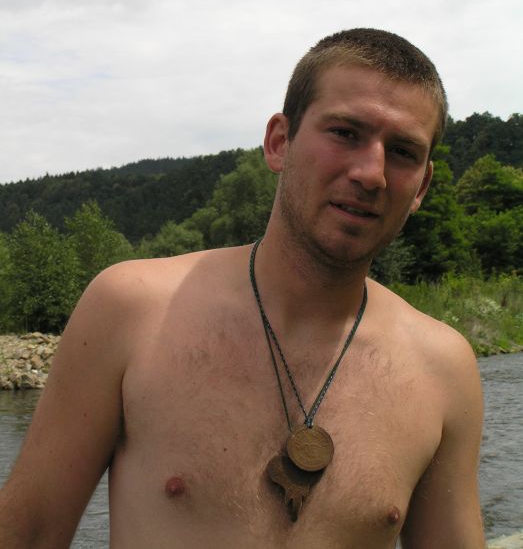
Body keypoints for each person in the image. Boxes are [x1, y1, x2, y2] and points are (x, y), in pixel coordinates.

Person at [0, 28, 485, 548]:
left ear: (422, 186)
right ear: (280, 143)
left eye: (403, 151)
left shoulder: (444, 369)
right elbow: (28, 534)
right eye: (345, 132)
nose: (371, 173)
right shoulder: (130, 309)